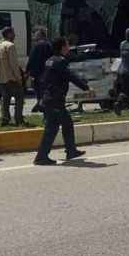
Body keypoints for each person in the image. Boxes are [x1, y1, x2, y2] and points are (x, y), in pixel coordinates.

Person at [34, 37, 89, 166]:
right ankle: (41, 157)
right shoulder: (61, 61)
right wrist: (85, 87)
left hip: (50, 98)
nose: (69, 47)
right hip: (55, 99)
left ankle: (70, 151)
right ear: (63, 47)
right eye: (67, 45)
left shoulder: (50, 60)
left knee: (65, 124)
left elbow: (43, 80)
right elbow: (70, 76)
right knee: (52, 128)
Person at [0, 27, 28, 127]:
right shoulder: (10, 46)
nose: (15, 35)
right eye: (13, 33)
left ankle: (5, 119)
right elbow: (14, 64)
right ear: (9, 34)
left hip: (2, 77)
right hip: (11, 78)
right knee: (19, 98)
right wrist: (19, 78)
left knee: (5, 100)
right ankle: (18, 119)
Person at [27, 27, 53, 113]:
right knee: (44, 90)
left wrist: (27, 71)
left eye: (36, 35)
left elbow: (31, 59)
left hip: (37, 73)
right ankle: (41, 104)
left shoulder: (36, 46)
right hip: (46, 72)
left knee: (38, 90)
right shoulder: (49, 45)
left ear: (40, 35)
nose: (34, 36)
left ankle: (40, 104)